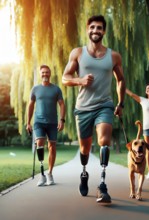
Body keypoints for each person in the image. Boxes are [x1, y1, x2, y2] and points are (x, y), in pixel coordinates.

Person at [62, 15, 125, 203]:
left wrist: (120, 103)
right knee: (85, 149)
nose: (95, 31)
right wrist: (79, 80)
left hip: (104, 105)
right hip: (82, 108)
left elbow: (120, 79)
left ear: (104, 31)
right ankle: (84, 173)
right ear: (87, 30)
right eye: (92, 27)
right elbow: (65, 78)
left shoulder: (113, 56)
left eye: (99, 28)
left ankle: (103, 185)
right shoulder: (78, 53)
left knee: (104, 140)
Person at [26, 65, 66, 186]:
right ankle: (42, 174)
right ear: (40, 74)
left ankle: (50, 173)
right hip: (38, 122)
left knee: (52, 146)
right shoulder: (35, 89)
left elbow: (62, 104)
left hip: (53, 122)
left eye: (47, 72)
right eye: (43, 72)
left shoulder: (56, 89)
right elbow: (31, 105)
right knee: (40, 144)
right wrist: (28, 122)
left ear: (50, 73)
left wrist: (62, 120)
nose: (45, 74)